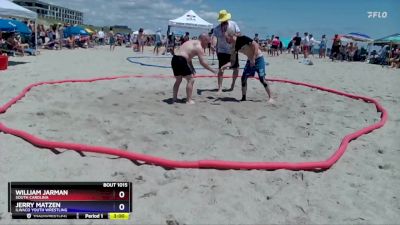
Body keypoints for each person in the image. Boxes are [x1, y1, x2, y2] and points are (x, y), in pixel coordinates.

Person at [221, 29, 274, 103]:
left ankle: (271, 97)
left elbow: (256, 45)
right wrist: (224, 66)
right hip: (250, 60)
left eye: (226, 38)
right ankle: (243, 98)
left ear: (231, 36)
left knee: (262, 78)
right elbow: (233, 62)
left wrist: (253, 59)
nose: (225, 40)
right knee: (243, 78)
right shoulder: (233, 47)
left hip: (258, 58)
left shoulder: (242, 38)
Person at [171, 33, 217, 104]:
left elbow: (188, 56)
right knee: (191, 79)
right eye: (207, 42)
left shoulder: (190, 42)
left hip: (174, 59)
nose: (207, 44)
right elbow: (202, 63)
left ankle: (174, 99)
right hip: (181, 60)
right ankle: (189, 100)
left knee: (178, 80)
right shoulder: (199, 47)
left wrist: (191, 67)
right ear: (203, 40)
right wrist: (213, 70)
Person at [212, 9, 241, 94]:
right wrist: (213, 46)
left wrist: (232, 35)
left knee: (236, 68)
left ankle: (232, 85)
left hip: (232, 50)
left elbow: (239, 33)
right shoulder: (217, 29)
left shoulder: (233, 24)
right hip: (222, 50)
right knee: (221, 69)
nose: (223, 22)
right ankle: (220, 88)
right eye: (222, 21)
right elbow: (214, 38)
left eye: (225, 20)